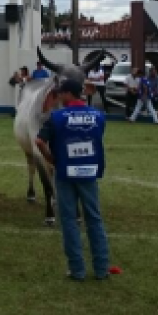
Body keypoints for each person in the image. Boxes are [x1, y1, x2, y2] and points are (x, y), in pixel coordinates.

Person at [33, 79, 111, 281]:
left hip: (66, 172)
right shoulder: (98, 116)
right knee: (94, 218)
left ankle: (77, 270)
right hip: (89, 172)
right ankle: (101, 268)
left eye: (61, 93)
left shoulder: (56, 117)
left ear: (68, 94)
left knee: (69, 221)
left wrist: (51, 159)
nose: (58, 96)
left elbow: (39, 141)